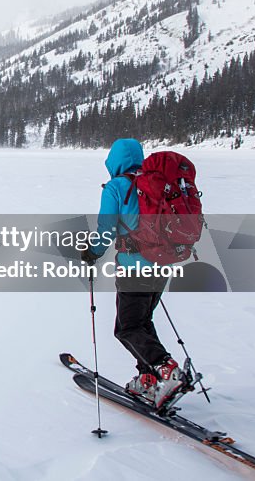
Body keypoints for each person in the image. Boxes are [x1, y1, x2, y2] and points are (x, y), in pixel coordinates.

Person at [78, 138, 184, 409]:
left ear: (114, 161)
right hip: (162, 264)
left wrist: (92, 253)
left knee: (127, 328)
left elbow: (106, 229)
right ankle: (147, 377)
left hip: (135, 268)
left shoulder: (117, 187)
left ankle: (167, 371)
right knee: (142, 321)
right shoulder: (157, 185)